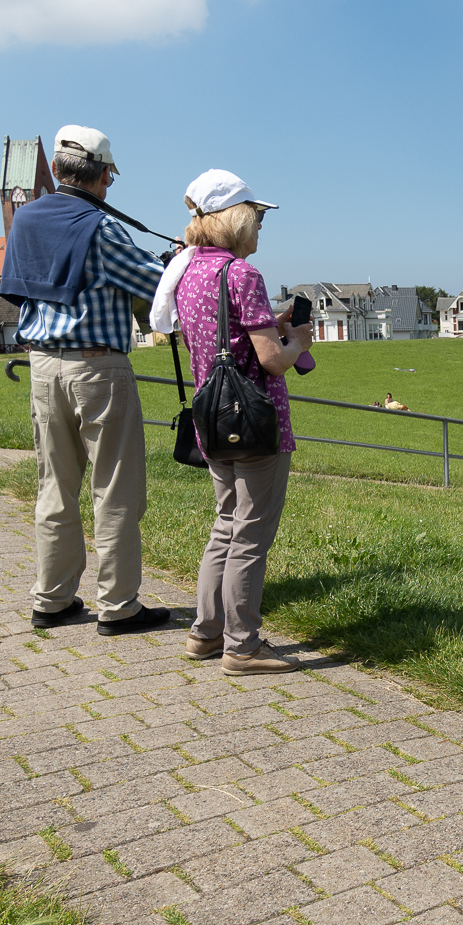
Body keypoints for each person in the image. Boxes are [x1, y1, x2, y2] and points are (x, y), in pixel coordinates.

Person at [1, 126, 170, 634]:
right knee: (115, 490)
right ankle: (119, 606)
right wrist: (177, 260)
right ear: (101, 175)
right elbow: (157, 285)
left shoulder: (26, 220)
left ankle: (51, 599)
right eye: (110, 177)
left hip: (42, 365)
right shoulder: (102, 228)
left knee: (54, 486)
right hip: (97, 367)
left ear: (56, 170)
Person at [175, 169, 312, 676]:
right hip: (256, 420)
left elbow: (213, 340)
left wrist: (267, 325)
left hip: (212, 418)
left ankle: (206, 633)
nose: (259, 229)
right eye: (256, 218)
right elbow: (273, 361)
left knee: (225, 525)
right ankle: (243, 645)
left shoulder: (189, 273)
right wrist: (297, 340)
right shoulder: (241, 274)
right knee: (251, 535)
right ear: (235, 219)